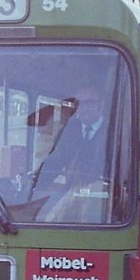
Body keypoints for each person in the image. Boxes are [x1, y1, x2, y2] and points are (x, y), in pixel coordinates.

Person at [30, 84, 110, 220]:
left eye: (88, 103)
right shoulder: (70, 129)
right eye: (78, 104)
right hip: (73, 188)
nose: (83, 108)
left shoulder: (112, 130)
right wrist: (36, 184)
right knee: (49, 217)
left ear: (100, 104)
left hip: (103, 194)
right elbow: (56, 159)